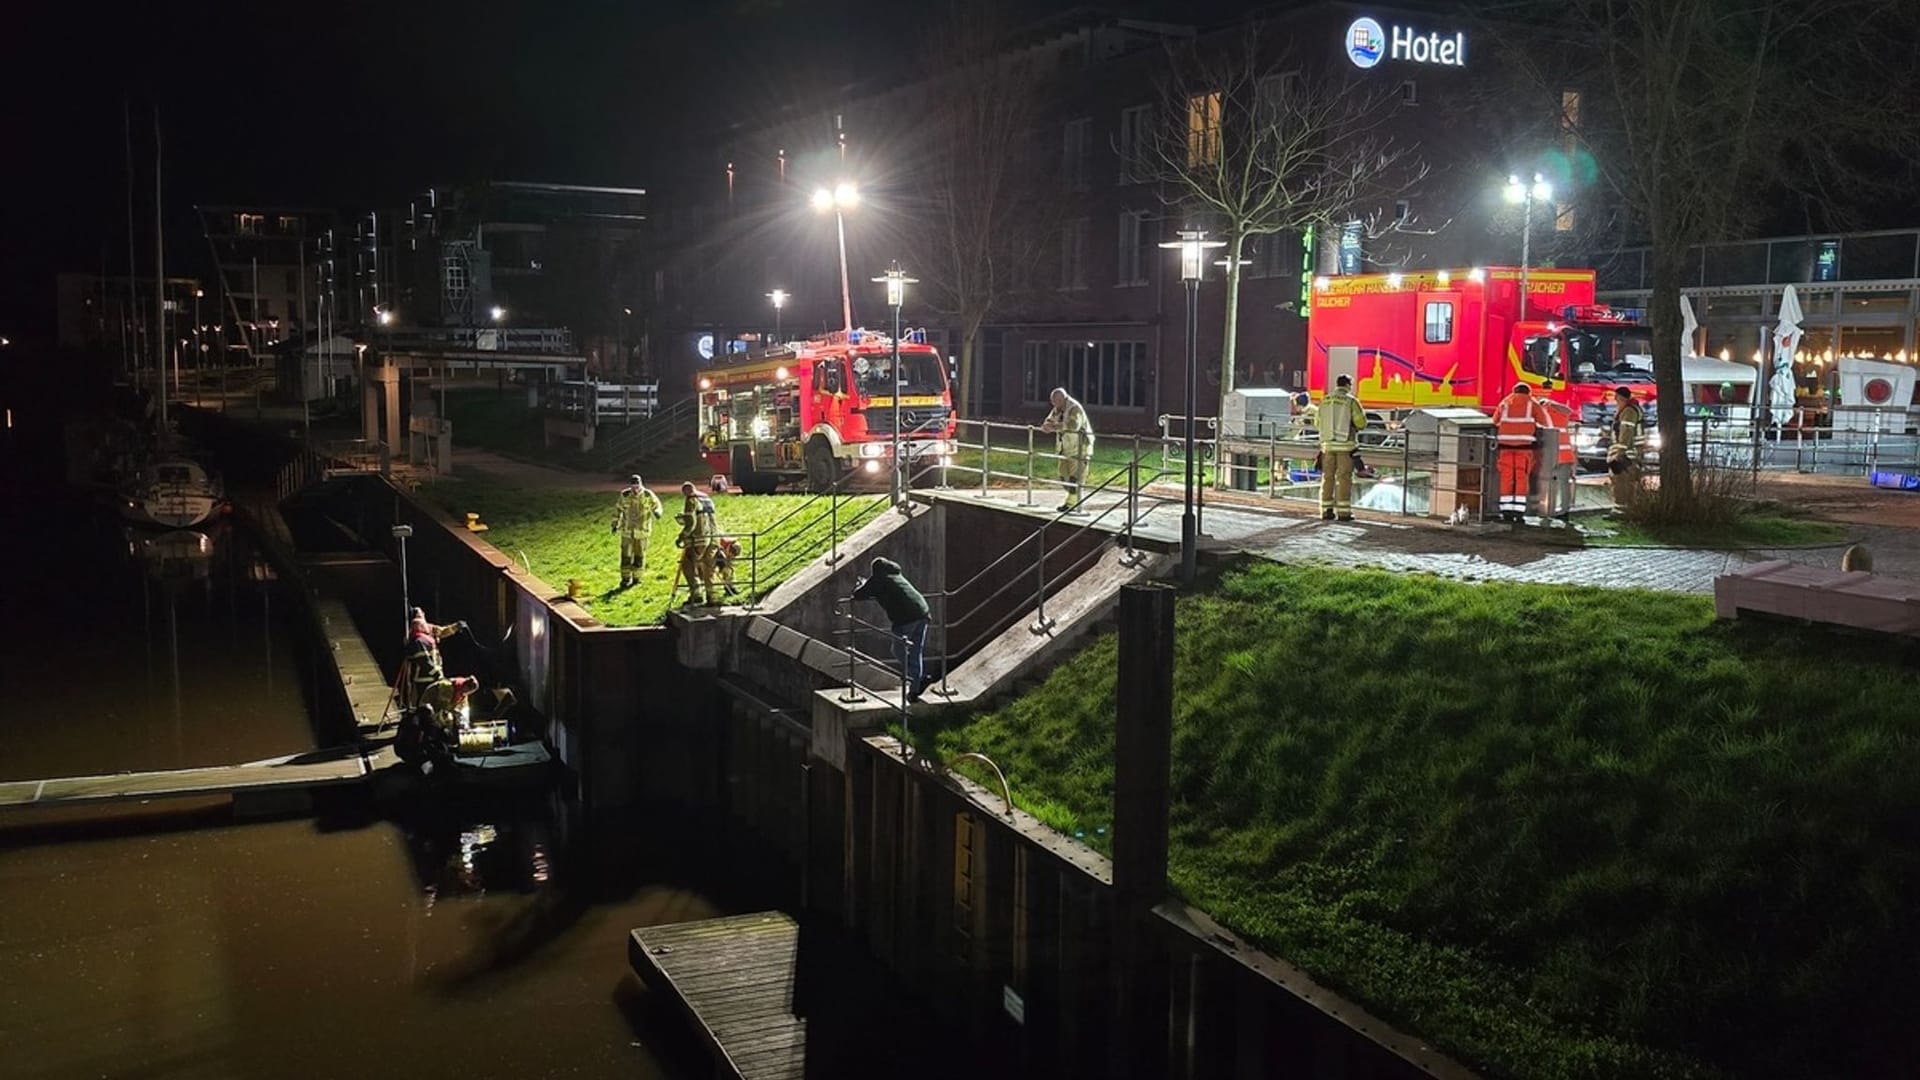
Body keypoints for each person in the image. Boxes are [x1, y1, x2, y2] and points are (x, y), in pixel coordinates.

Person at [852, 557, 931, 702]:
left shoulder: (879, 579)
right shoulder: (896, 574)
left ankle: (916, 679)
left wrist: (863, 584)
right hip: (923, 612)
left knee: (898, 650)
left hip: (906, 618)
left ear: (875, 571)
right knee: (916, 651)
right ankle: (916, 687)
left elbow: (858, 594)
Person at [1493, 382, 1555, 521]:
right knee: (1521, 477)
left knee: (1506, 478)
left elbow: (1495, 421)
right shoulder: (1532, 403)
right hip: (1524, 448)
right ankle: (1519, 512)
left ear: (1514, 391)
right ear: (1529, 392)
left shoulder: (1505, 402)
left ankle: (1506, 511)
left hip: (1504, 447)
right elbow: (1546, 424)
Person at [1316, 374, 1368, 521]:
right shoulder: (1351, 401)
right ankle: (1344, 513)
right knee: (1344, 478)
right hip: (1345, 447)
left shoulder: (1325, 400)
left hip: (1327, 446)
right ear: (1348, 385)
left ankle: (1326, 511)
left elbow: (1317, 422)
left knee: (1327, 478)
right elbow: (1361, 423)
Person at [1040, 387, 1094, 513]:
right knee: (1063, 475)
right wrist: (1047, 425)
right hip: (1065, 448)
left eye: (1056, 402)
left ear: (1063, 398)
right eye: (1052, 402)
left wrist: (1054, 427)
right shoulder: (1058, 408)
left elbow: (1073, 426)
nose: (1054, 405)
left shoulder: (1074, 408)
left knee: (1075, 478)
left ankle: (1071, 504)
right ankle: (1072, 500)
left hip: (1080, 447)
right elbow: (1049, 419)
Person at [401, 608, 464, 710]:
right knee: (423, 699)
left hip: (435, 668)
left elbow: (442, 631)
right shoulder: (416, 635)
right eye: (420, 614)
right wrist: (435, 672)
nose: (423, 615)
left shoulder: (428, 627)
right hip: (424, 674)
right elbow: (422, 659)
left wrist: (455, 627)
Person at [610, 474, 665, 588]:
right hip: (627, 531)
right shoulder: (624, 495)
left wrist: (658, 512)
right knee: (626, 556)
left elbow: (657, 505)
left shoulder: (647, 495)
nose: (635, 489)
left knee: (639, 556)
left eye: (637, 486)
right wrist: (615, 524)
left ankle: (637, 578)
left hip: (642, 531)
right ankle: (625, 579)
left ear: (641, 484)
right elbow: (618, 510)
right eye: (633, 486)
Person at [675, 480, 721, 608]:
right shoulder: (707, 498)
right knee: (708, 568)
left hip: (699, 540)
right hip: (714, 538)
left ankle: (697, 595)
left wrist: (681, 536)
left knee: (688, 565)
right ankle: (713, 596)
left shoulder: (691, 500)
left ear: (687, 491)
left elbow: (691, 523)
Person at [1606, 386, 1644, 507]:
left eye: (1616, 398)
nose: (1615, 401)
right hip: (1629, 451)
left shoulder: (1628, 411)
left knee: (1621, 479)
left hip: (1626, 453)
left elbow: (1626, 431)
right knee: (1625, 479)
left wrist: (1620, 452)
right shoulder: (1630, 410)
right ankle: (1627, 506)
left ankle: (1622, 507)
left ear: (1619, 397)